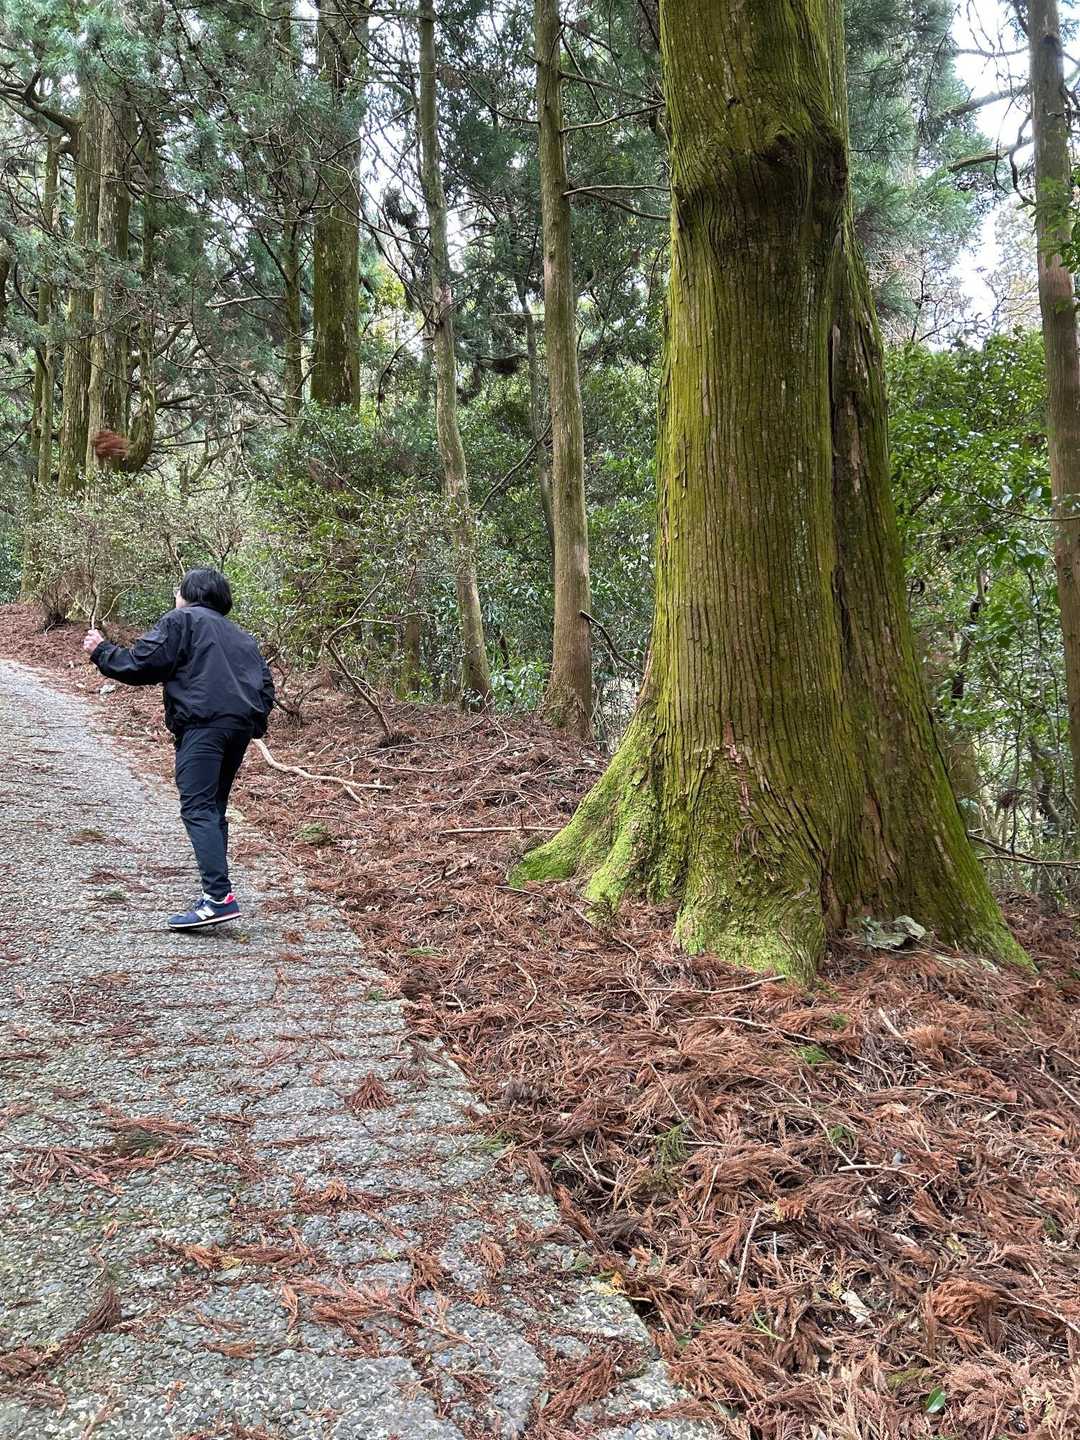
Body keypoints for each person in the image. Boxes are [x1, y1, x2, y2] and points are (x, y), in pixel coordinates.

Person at [83, 567, 275, 930]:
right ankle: (215, 890)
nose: (176, 597)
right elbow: (265, 687)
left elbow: (143, 663)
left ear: (189, 593)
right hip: (237, 729)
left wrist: (101, 651)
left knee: (198, 806)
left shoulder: (182, 620)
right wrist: (252, 723)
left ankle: (218, 898)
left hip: (203, 726)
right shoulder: (242, 637)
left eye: (178, 591)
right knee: (213, 807)